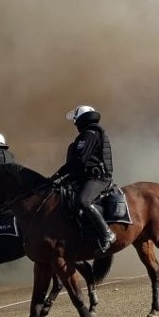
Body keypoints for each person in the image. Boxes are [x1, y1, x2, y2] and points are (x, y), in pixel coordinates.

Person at [51, 105, 116, 252]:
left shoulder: (90, 134)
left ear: (80, 119)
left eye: (75, 120)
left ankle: (107, 234)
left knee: (83, 201)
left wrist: (59, 175)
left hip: (98, 178)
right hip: (86, 177)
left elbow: (79, 161)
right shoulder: (89, 134)